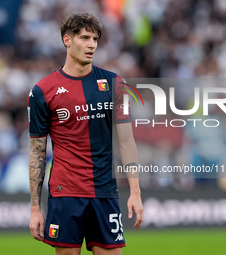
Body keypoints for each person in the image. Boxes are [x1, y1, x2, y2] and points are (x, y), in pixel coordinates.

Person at [28, 12, 143, 255]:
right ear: (67, 40)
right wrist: (35, 208)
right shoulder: (42, 91)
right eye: (84, 38)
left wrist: (135, 191)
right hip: (65, 193)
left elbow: (126, 141)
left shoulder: (115, 84)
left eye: (95, 39)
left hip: (104, 191)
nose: (91, 45)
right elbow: (37, 152)